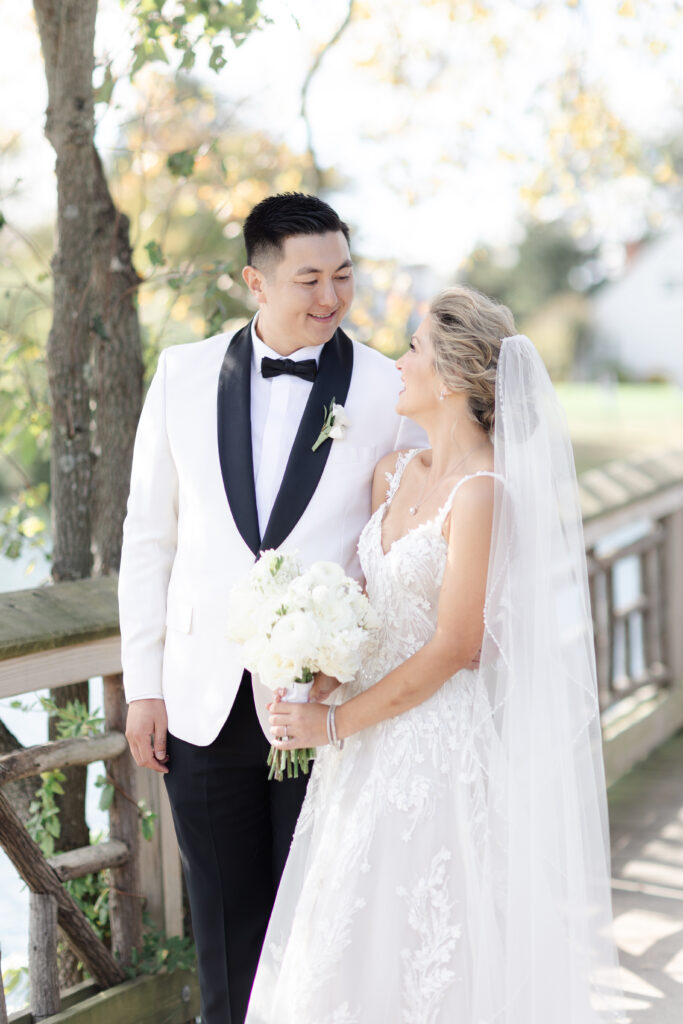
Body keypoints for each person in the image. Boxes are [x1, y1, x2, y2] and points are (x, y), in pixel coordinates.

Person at [248, 286, 625, 1023]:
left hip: (431, 753)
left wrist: (334, 723)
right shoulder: (391, 473)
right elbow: (367, 610)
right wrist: (309, 677)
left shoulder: (483, 494)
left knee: (422, 949)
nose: (398, 361)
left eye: (413, 349)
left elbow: (456, 646)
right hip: (357, 752)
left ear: (450, 378)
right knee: (339, 944)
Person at [118, 192, 425, 1024]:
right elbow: (148, 538)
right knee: (222, 924)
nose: (329, 299)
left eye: (343, 277)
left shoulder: (387, 387)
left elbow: (405, 531)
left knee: (322, 924)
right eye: (308, 280)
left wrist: (351, 657)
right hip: (200, 697)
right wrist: (143, 685)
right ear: (255, 281)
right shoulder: (180, 374)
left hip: (326, 701)